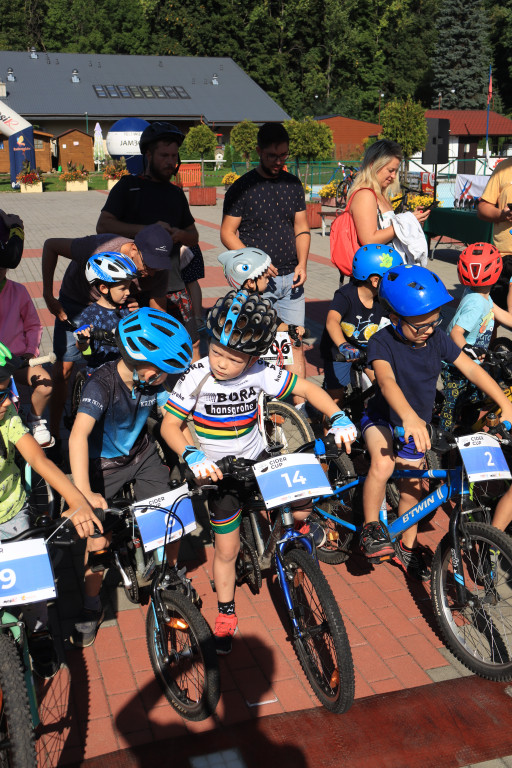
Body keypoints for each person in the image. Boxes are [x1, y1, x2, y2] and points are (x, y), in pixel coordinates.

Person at [161, 290, 357, 654]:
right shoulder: (196, 375)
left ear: (251, 357)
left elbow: (308, 389)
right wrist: (190, 452)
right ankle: (226, 613)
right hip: (220, 473)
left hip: (260, 458)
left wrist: (338, 415)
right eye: (215, 350)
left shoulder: (260, 372)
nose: (220, 362)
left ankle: (297, 538)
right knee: (226, 550)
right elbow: (169, 426)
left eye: (233, 358)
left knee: (301, 508)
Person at [359, 264, 512, 581]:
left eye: (434, 322)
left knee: (414, 488)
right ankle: (371, 526)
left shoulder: (437, 338)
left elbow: (470, 369)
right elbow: (386, 382)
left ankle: (407, 548)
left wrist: (504, 402)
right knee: (383, 465)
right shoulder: (382, 343)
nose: (429, 330)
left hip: (418, 425)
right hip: (383, 418)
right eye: (420, 326)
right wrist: (410, 416)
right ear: (396, 318)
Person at [68, 308, 194, 648]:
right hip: (103, 466)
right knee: (98, 540)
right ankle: (91, 604)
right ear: (144, 363)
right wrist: (81, 494)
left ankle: (169, 573)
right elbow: (78, 436)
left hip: (141, 455)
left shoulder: (153, 380)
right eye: (162, 372)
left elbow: (174, 419)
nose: (164, 378)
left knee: (170, 514)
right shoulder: (102, 383)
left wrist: (194, 455)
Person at [0, 342, 101, 676]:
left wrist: (76, 499)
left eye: (6, 391)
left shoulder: (8, 416)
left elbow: (37, 458)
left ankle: (40, 629)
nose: (7, 402)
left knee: (34, 582)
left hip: (12, 511)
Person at [42, 224, 176, 445]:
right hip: (76, 302)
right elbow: (50, 245)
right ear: (133, 249)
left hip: (117, 305)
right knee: (63, 370)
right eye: (148, 265)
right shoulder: (98, 247)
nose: (151, 272)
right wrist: (48, 295)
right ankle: (55, 435)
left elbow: (157, 312)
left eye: (157, 268)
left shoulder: (158, 267)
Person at [221, 122, 310, 415]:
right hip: (258, 284)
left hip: (292, 280)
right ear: (259, 151)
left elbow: (301, 227)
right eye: (272, 155)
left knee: (294, 342)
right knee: (259, 346)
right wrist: (255, 262)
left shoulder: (293, 184)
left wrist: (304, 264)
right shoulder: (243, 187)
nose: (278, 161)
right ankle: (260, 410)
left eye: (283, 155)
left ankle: (300, 411)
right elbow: (228, 233)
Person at [96, 121, 204, 341]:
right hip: (127, 290)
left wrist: (178, 234)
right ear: (148, 154)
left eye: (174, 156)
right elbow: (103, 225)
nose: (171, 162)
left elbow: (194, 236)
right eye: (165, 155)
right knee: (134, 351)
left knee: (183, 344)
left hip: (171, 286)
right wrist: (148, 230)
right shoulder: (129, 186)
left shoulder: (175, 194)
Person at [439, 243, 512, 432]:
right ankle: (441, 444)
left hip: (472, 361)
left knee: (475, 398)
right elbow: (456, 332)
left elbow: (503, 316)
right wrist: (467, 349)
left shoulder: (480, 294)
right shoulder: (477, 303)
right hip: (456, 365)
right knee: (452, 407)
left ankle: (465, 426)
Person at [320, 244, 402, 407]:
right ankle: (327, 430)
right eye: (391, 278)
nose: (394, 283)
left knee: (384, 386)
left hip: (368, 349)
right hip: (339, 351)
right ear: (375, 280)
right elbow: (332, 321)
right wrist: (343, 345)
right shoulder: (345, 295)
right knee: (335, 402)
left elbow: (396, 321)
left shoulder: (384, 298)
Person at [0, 214, 53, 446]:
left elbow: (33, 324)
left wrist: (31, 353)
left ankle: (36, 418)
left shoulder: (18, 291)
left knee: (45, 382)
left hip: (18, 361)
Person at [348, 140, 430, 271]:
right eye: (390, 170)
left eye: (395, 171)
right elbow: (369, 240)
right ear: (373, 165)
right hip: (373, 274)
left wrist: (413, 222)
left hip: (385, 269)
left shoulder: (380, 194)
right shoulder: (365, 195)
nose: (393, 176)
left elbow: (387, 232)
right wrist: (404, 224)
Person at [217, 246, 305, 337]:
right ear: (251, 282)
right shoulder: (254, 307)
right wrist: (291, 328)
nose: (268, 281)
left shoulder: (228, 303)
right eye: (266, 277)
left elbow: (275, 323)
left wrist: (290, 328)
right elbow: (273, 324)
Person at [73, 252, 138, 372]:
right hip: (100, 372)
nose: (128, 292)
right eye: (123, 289)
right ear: (104, 289)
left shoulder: (128, 307)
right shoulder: (91, 314)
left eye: (129, 287)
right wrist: (83, 342)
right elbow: (84, 350)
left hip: (128, 367)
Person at [477, 158, 512, 311]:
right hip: (504, 258)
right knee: (491, 318)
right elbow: (483, 207)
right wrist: (502, 214)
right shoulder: (504, 167)